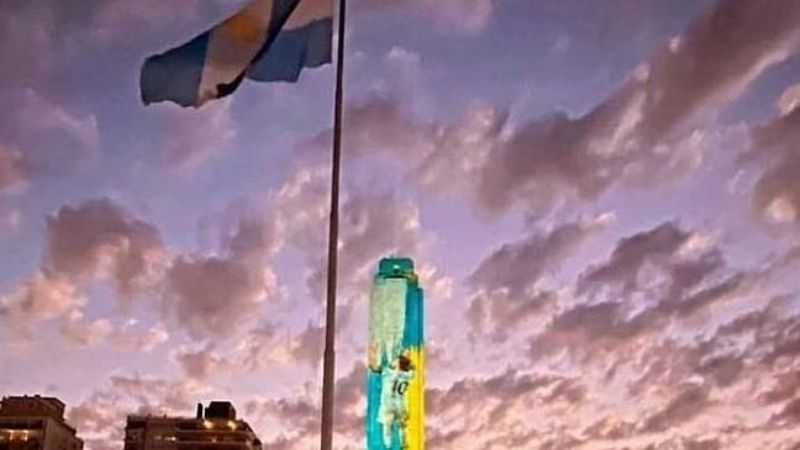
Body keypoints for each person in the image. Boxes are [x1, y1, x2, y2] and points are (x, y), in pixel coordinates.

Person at [378, 352, 415, 449]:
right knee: (402, 426)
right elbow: (412, 370)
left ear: (398, 365)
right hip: (401, 404)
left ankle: (388, 446)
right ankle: (403, 445)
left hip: (388, 403)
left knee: (387, 428)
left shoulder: (389, 373)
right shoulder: (409, 375)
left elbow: (377, 369)